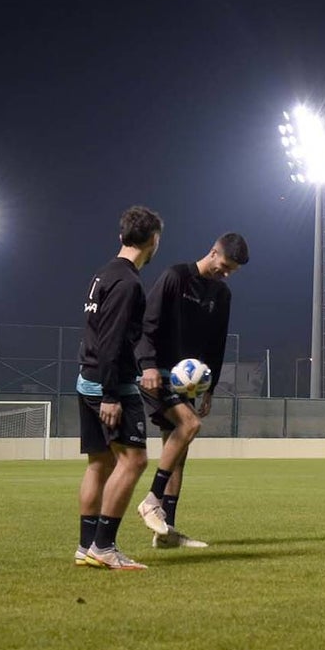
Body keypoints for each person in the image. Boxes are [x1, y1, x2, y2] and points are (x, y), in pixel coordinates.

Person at [136, 233, 249, 549]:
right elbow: (147, 324)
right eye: (224, 266)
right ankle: (151, 500)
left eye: (232, 271)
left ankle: (166, 533)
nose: (226, 274)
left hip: (188, 381)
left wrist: (209, 388)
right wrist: (147, 365)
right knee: (190, 425)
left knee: (178, 456)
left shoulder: (222, 294)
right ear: (213, 252)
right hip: (157, 374)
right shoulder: (175, 277)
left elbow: (216, 342)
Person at [75, 205, 164, 570]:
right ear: (154, 241)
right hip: (110, 386)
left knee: (100, 463)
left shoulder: (104, 273)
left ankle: (86, 546)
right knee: (135, 461)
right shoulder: (128, 283)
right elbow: (111, 340)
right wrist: (111, 394)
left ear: (122, 236)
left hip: (88, 377)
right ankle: (103, 547)